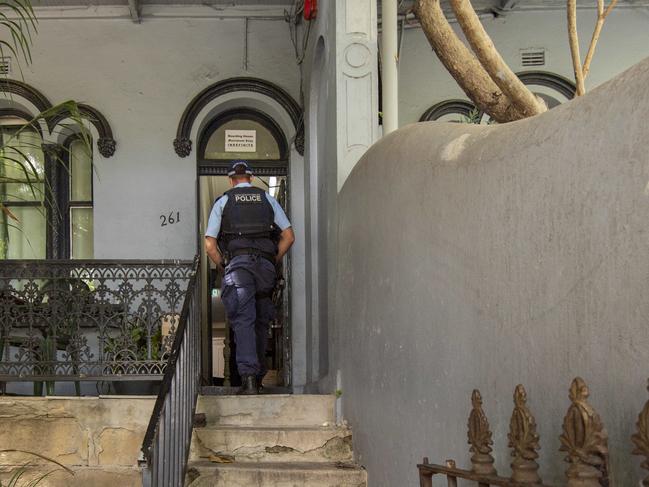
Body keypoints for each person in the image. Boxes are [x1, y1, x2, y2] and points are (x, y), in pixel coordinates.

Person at [204, 160, 295, 395]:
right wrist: (273, 260)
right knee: (261, 320)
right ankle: (260, 377)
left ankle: (249, 380)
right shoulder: (267, 199)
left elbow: (210, 244)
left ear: (230, 180)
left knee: (244, 320)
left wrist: (223, 266)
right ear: (251, 179)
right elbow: (288, 236)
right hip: (265, 267)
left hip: (239, 267)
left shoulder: (223, 201)